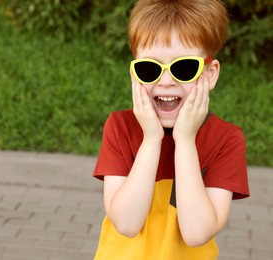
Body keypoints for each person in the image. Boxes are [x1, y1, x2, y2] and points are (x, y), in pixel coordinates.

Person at [92, 0, 250, 259]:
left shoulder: (226, 139)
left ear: (210, 73)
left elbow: (197, 233)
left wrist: (186, 142)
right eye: (149, 69)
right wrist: (151, 140)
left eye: (184, 68)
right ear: (134, 74)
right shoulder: (120, 127)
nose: (165, 82)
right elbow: (127, 224)